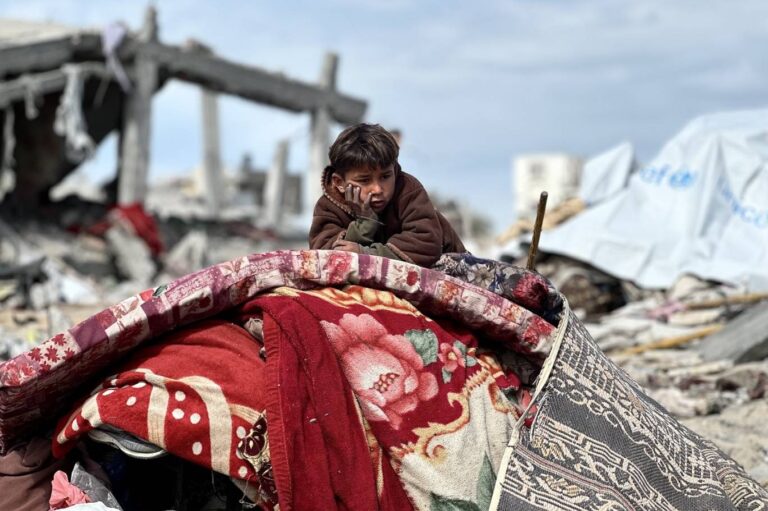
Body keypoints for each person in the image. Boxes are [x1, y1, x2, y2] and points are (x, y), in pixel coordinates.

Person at [309, 123, 466, 267]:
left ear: (394, 170)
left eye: (385, 176)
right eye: (364, 180)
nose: (377, 189)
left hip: (452, 268)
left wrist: (367, 254)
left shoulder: (408, 189)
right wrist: (364, 224)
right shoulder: (329, 207)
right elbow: (325, 257)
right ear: (339, 183)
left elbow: (425, 244)